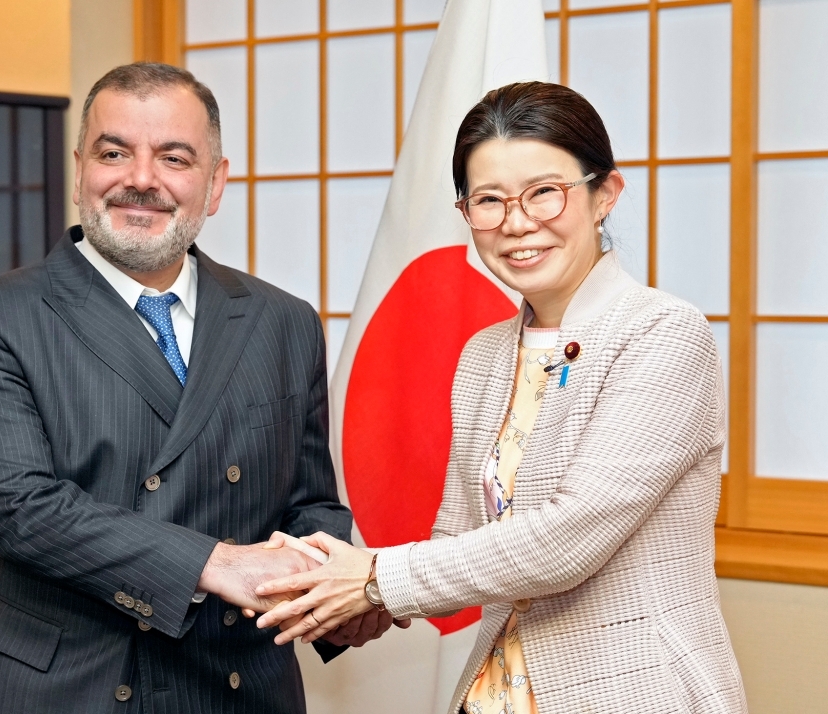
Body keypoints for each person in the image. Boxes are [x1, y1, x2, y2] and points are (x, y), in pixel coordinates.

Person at [254, 82, 748, 714]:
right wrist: (352, 599)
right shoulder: (484, 353)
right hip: (493, 692)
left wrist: (375, 579)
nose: (516, 224)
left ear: (605, 194)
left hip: (635, 691)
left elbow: (568, 538)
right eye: (489, 200)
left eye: (544, 192)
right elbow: (459, 537)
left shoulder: (663, 333)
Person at [0, 62, 401, 714]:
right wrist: (219, 564)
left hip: (239, 684)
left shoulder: (283, 321)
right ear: (79, 171)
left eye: (174, 158)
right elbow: (23, 512)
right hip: (71, 687)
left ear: (215, 183)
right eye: (114, 153)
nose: (142, 179)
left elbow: (308, 502)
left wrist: (330, 595)